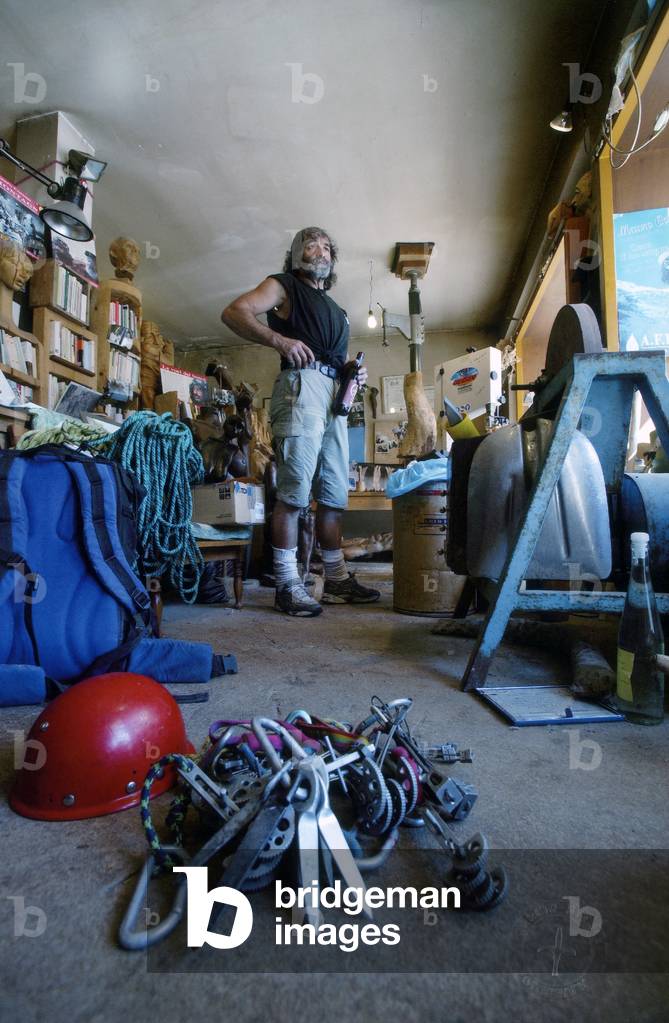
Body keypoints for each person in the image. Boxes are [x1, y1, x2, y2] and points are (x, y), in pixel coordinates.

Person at [221, 226, 380, 616]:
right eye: (311, 245)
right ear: (296, 254)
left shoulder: (338, 312)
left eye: (327, 246)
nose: (320, 251)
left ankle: (337, 580)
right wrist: (280, 341)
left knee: (332, 498)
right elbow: (234, 312)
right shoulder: (284, 285)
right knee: (293, 494)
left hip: (334, 398)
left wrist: (351, 373)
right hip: (301, 390)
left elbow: (331, 357)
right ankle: (288, 585)